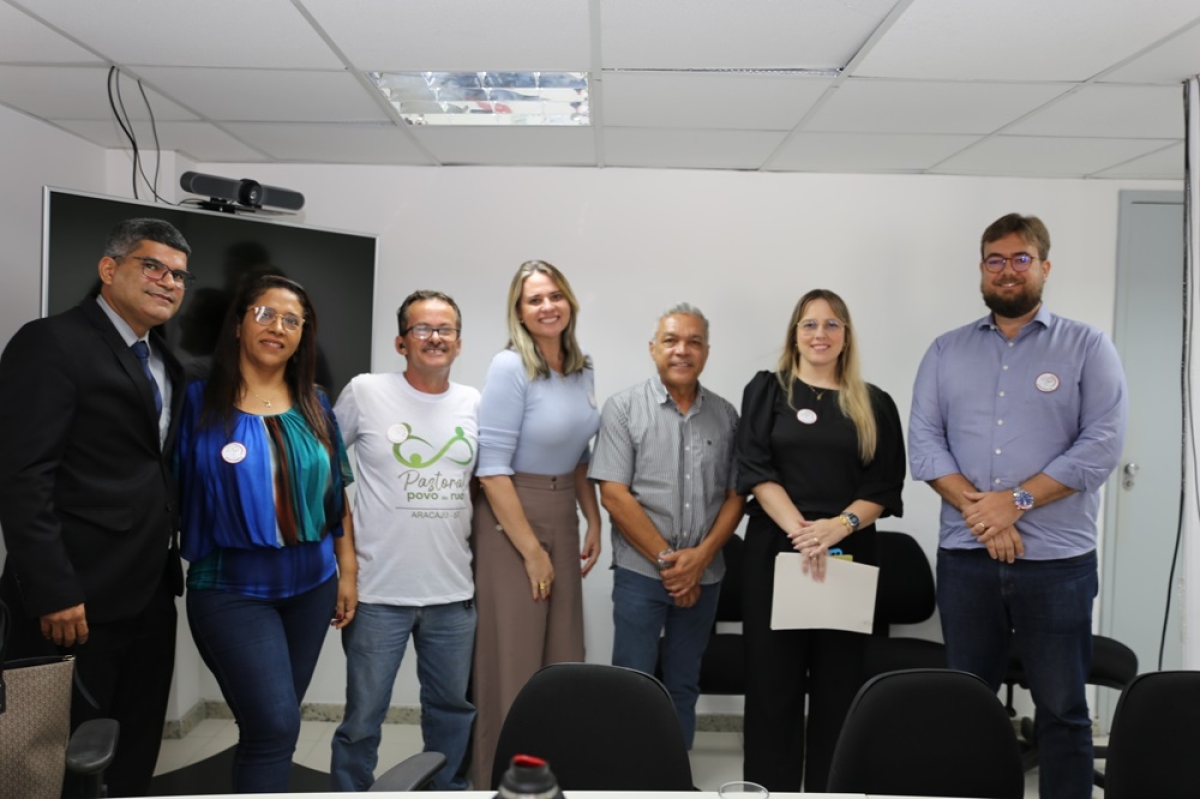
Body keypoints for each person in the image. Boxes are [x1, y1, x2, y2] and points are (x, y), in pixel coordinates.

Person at [908, 213, 1128, 799]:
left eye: (1020, 259)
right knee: (967, 706)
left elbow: (1100, 447)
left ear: (1044, 267)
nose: (1007, 270)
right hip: (968, 561)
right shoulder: (946, 350)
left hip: (1057, 564)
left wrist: (1017, 502)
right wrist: (987, 515)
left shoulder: (1087, 346)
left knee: (1062, 708)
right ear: (982, 270)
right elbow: (926, 446)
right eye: (995, 260)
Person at [0, 218, 191, 797]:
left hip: (150, 587)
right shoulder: (50, 341)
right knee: (60, 752)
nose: (168, 282)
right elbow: (23, 475)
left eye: (179, 274)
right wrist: (53, 589)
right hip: (73, 596)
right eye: (151, 266)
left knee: (134, 741)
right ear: (109, 270)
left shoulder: (164, 360)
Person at [176, 274, 357, 793]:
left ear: (302, 336)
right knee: (276, 725)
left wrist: (348, 570)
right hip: (231, 590)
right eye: (263, 314)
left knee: (271, 729)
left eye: (291, 320)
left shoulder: (318, 405)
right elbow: (161, 489)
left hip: (312, 588)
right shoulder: (196, 403)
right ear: (238, 325)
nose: (277, 326)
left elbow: (334, 497)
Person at [736, 288, 905, 792]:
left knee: (839, 687)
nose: (820, 334)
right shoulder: (767, 390)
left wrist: (837, 528)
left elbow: (884, 485)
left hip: (848, 553)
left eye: (832, 325)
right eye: (809, 324)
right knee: (772, 688)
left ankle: (834, 790)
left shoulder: (874, 402)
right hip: (776, 552)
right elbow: (754, 468)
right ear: (795, 334)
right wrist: (802, 533)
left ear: (846, 335)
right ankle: (771, 789)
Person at [330, 290, 480, 791]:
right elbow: (324, 472)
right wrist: (344, 568)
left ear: (459, 343)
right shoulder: (366, 392)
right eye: (422, 329)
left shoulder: (475, 404)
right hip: (377, 594)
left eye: (446, 329)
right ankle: (353, 793)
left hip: (452, 594)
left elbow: (490, 487)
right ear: (401, 341)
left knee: (452, 712)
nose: (435, 337)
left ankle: (445, 792)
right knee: (363, 718)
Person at [470, 260, 602, 787]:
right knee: (513, 663)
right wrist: (532, 550)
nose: (547, 306)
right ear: (519, 313)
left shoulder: (581, 366)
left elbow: (578, 455)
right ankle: (496, 783)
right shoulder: (509, 367)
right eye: (534, 300)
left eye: (554, 296)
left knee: (564, 656)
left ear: (568, 301)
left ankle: (552, 781)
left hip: (563, 511)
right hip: (510, 518)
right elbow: (492, 469)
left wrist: (593, 519)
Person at [589, 303, 743, 747]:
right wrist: (671, 563)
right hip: (642, 574)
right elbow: (614, 496)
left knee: (683, 682)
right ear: (653, 349)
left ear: (707, 351)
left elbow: (736, 496)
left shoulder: (726, 415)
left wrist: (701, 558)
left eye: (694, 342)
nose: (682, 350)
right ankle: (627, 780)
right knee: (631, 683)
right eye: (672, 340)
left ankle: (672, 779)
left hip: (706, 574)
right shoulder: (623, 409)